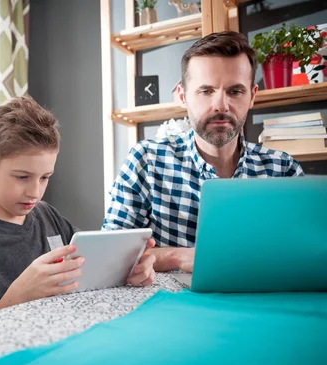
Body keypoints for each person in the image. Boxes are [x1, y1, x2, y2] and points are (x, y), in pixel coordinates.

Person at [102, 31, 304, 273]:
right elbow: (109, 255)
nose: (221, 105)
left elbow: (307, 254)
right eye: (206, 91)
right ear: (181, 95)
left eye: (235, 91)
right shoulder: (146, 161)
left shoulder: (283, 170)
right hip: (170, 307)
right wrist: (177, 256)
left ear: (253, 96)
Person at [0, 96, 156, 318]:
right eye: (22, 177)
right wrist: (20, 293)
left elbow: (89, 269)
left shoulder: (46, 214)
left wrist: (129, 268)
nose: (35, 192)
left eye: (45, 177)